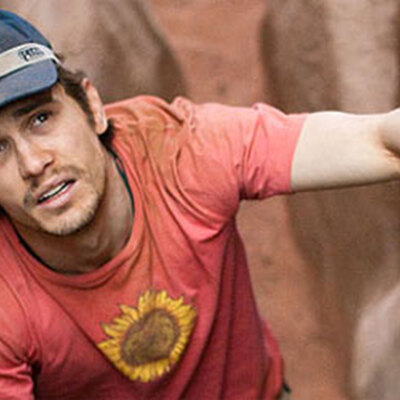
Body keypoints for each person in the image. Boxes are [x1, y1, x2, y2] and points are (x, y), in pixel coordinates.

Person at [0, 9, 398, 400]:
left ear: (92, 107)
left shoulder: (179, 150)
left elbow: (378, 143)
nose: (33, 164)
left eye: (40, 119)